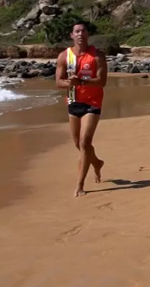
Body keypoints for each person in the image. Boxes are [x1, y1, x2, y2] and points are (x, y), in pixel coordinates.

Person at [55, 20, 107, 197]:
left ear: (87, 34)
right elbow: (58, 81)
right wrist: (68, 83)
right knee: (78, 144)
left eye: (83, 31)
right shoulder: (64, 56)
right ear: (71, 35)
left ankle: (80, 185)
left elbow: (102, 81)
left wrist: (82, 81)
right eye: (76, 31)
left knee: (85, 142)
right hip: (73, 102)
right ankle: (97, 163)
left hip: (92, 103)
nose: (79, 34)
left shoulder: (97, 56)